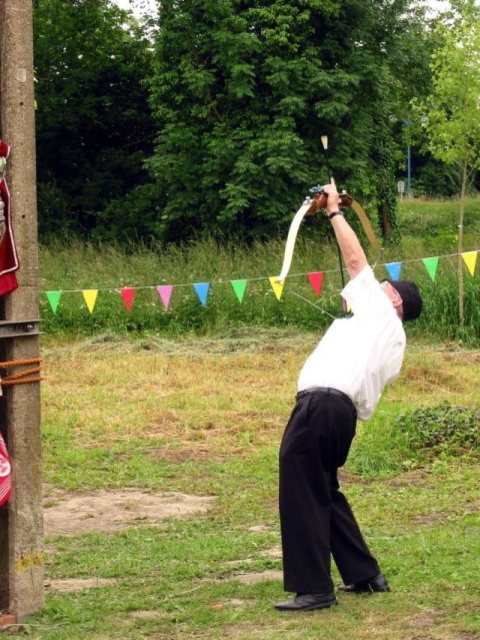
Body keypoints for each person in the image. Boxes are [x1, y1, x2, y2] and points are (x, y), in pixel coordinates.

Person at [275, 180, 423, 612]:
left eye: (385, 285)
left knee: (301, 483)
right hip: (337, 413)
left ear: (394, 300)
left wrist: (335, 210)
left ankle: (315, 588)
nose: (378, 284)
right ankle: (364, 574)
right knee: (323, 487)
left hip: (323, 406)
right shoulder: (389, 337)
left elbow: (356, 260)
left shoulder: (381, 315)